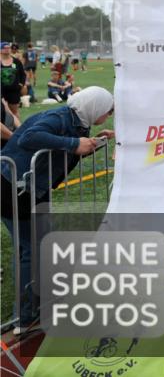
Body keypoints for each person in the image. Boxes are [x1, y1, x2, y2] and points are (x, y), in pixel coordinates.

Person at [1, 86, 114, 328]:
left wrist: (95, 143)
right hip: (13, 187)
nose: (109, 115)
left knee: (41, 246)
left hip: (32, 188)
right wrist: (74, 143)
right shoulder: (59, 117)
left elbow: (66, 153)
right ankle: (25, 313)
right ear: (95, 106)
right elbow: (29, 137)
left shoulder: (78, 123)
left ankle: (38, 303)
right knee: (30, 250)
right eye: (108, 110)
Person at [1, 42, 27, 117]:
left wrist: (21, 84)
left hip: (13, 91)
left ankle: (18, 128)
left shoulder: (16, 61)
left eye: (8, 48)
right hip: (1, 91)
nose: (7, 50)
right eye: (4, 48)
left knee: (14, 111)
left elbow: (23, 74)